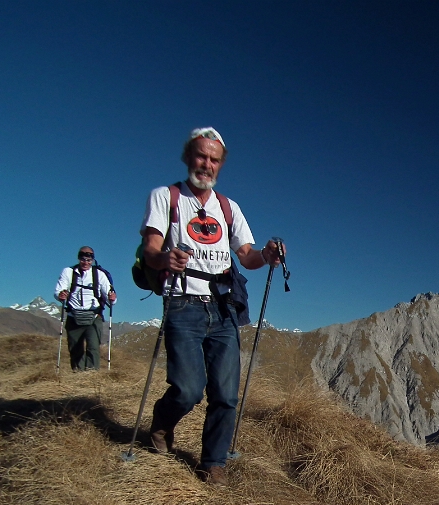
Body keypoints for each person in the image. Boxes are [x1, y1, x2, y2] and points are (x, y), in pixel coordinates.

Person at [140, 126, 284, 486]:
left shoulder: (228, 208)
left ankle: (213, 462)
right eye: (201, 156)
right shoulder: (166, 197)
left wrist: (266, 256)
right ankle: (162, 420)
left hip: (223, 307)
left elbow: (247, 256)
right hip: (182, 303)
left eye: (214, 160)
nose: (206, 164)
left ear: (220, 165)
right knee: (188, 389)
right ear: (189, 156)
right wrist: (164, 260)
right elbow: (150, 250)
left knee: (225, 392)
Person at [55, 247, 116, 372]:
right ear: (79, 258)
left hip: (94, 316)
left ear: (93, 260)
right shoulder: (68, 272)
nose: (86, 262)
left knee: (93, 347)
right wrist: (61, 295)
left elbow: (110, 296)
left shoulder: (99, 274)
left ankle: (92, 376)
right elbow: (58, 290)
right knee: (75, 348)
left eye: (89, 260)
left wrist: (112, 298)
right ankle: (78, 375)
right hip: (73, 316)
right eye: (83, 259)